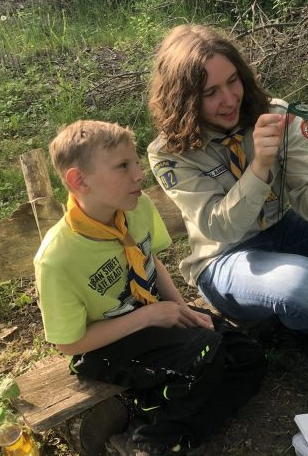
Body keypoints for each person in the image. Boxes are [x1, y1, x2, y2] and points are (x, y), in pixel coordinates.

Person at [147, 24, 308, 406]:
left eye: (233, 81)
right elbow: (219, 227)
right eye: (210, 92)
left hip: (279, 234)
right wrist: (259, 165)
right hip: (223, 261)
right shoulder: (169, 152)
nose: (229, 99)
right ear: (184, 99)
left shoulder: (273, 115)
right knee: (305, 287)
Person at [34, 120, 266, 455]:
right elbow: (69, 344)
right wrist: (149, 317)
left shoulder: (136, 207)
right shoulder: (57, 259)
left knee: (248, 356)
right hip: (103, 344)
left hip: (151, 316)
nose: (139, 174)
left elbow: (149, 260)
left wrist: (181, 310)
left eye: (136, 162)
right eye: (123, 166)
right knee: (206, 352)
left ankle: (179, 433)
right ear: (79, 180)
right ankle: (150, 432)